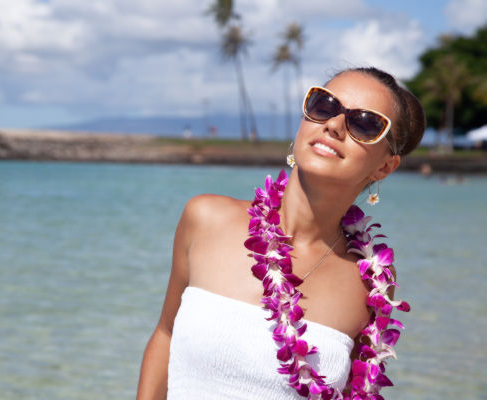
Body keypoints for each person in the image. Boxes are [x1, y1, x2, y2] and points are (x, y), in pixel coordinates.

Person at [136, 67, 426, 399]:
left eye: (364, 123)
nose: (334, 124)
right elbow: (166, 335)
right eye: (324, 105)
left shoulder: (369, 285)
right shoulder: (206, 219)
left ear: (384, 167)